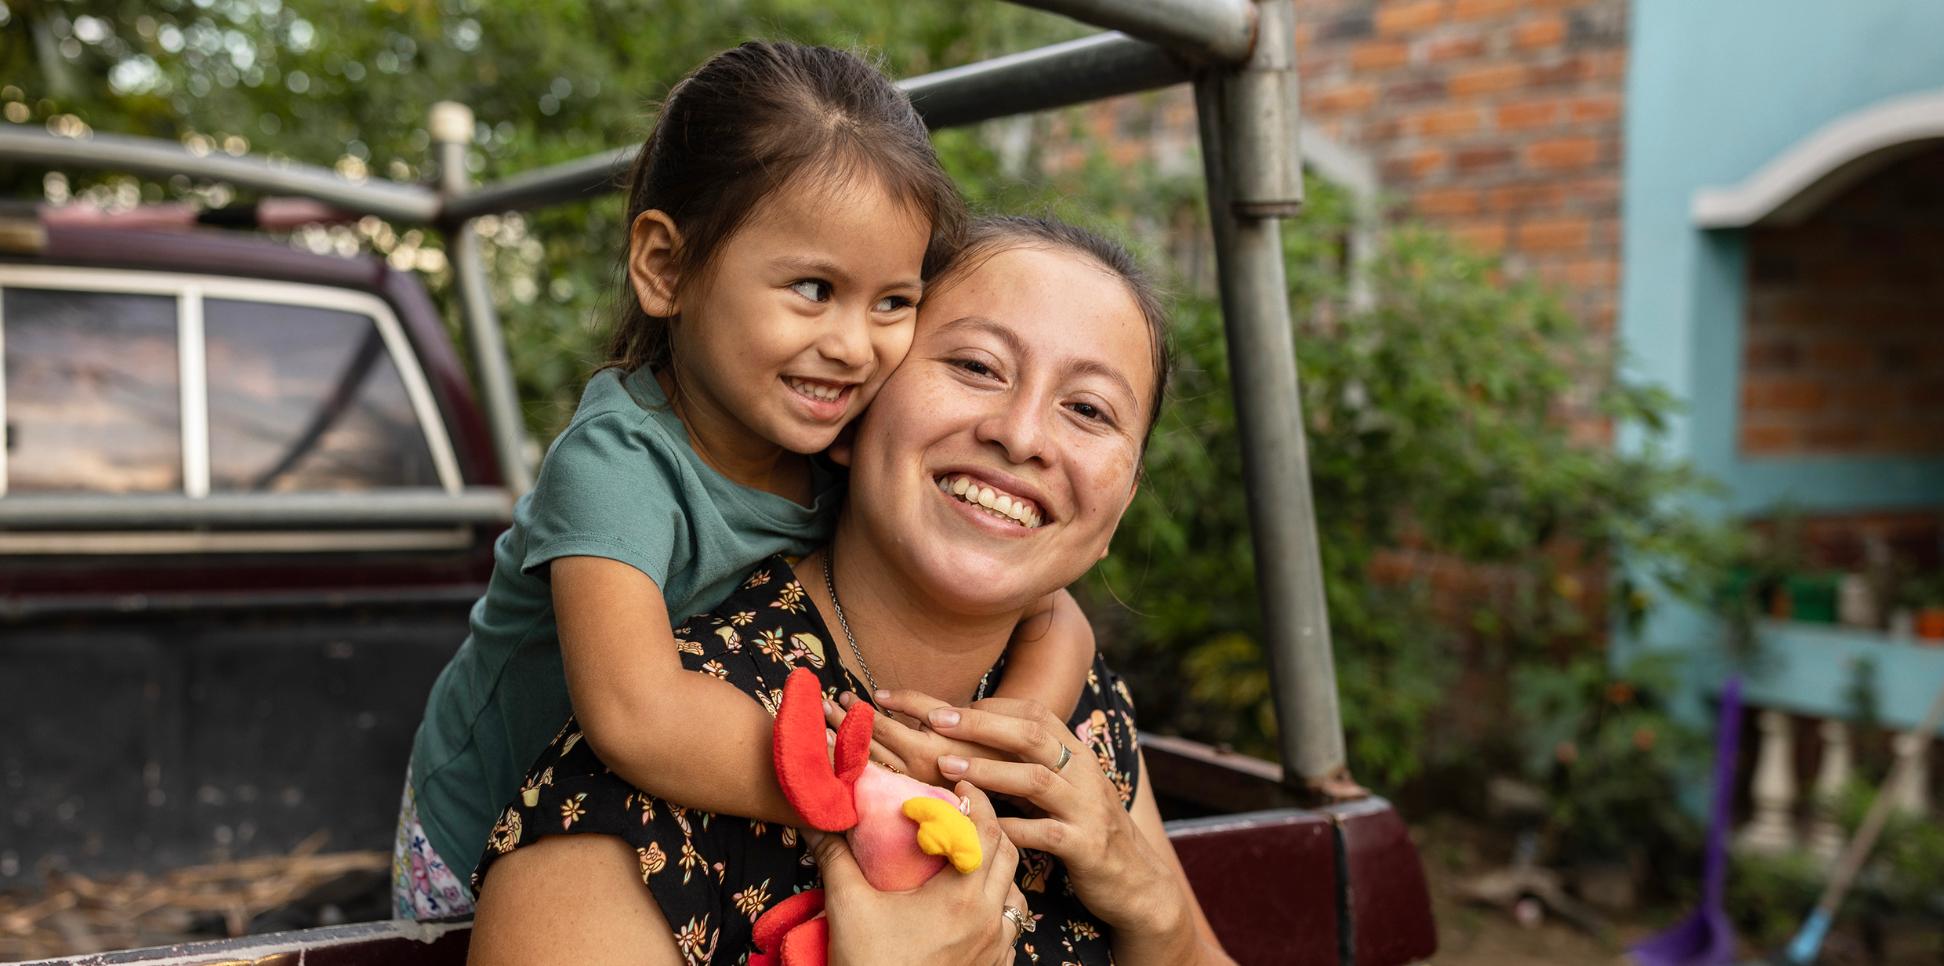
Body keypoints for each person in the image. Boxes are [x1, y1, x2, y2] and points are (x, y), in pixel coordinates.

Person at [393, 44, 1100, 920]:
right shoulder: (618, 463)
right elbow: (635, 712)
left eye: (892, 303)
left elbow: (1055, 615)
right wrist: (865, 786)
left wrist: (969, 762)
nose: (854, 344)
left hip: (693, 808)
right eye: (813, 289)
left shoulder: (848, 441)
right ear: (666, 268)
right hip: (482, 829)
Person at [466, 217, 1232, 966]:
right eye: (976, 366)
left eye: (1089, 410)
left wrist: (1161, 920)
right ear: (853, 411)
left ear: (1119, 505)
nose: (1023, 434)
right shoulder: (662, 768)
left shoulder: (1077, 719)